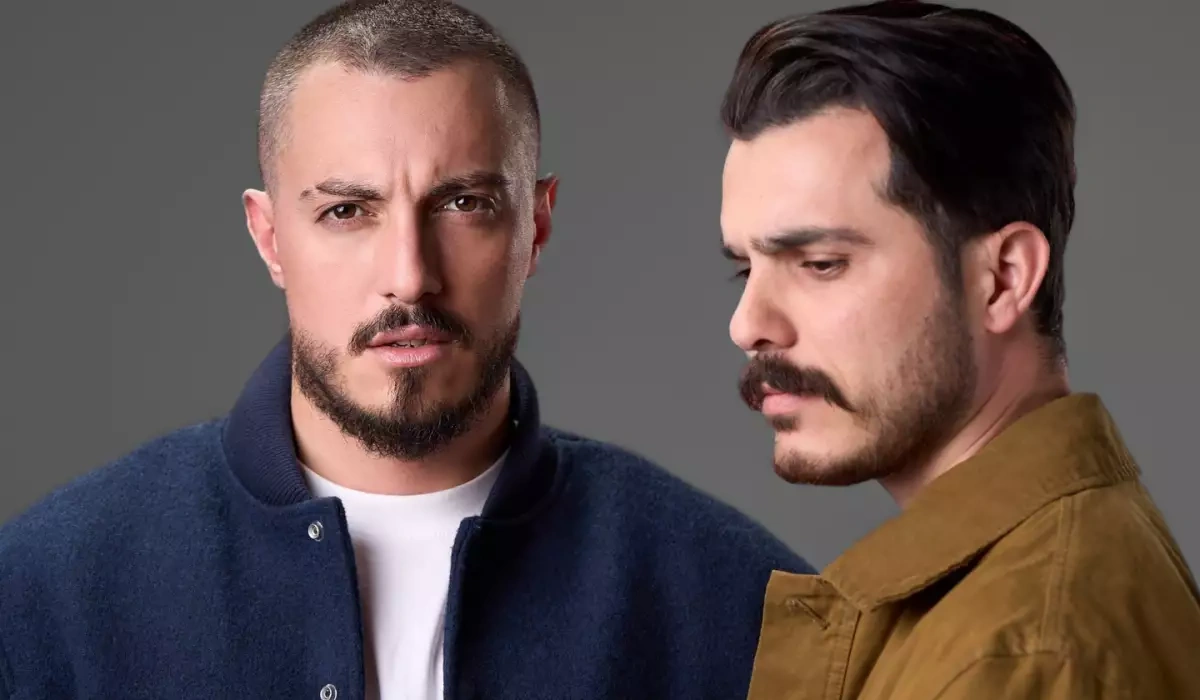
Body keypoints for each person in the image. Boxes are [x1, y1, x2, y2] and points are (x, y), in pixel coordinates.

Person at [0, 1, 813, 698]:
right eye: (347, 212)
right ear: (269, 237)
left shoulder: (736, 599)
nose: (409, 277)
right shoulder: (47, 591)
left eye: (463, 204)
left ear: (535, 226)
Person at [718, 2, 1200, 698]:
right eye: (745, 269)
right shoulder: (1023, 602)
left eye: (820, 264)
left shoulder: (1019, 656)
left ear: (1002, 279)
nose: (747, 325)